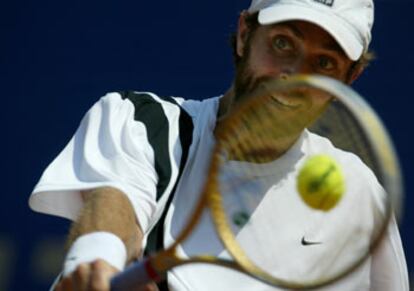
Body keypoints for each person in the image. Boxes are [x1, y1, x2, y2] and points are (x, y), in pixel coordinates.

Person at [29, 0, 409, 290]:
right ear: (245, 34)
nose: (292, 76)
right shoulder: (146, 122)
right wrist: (98, 258)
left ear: (349, 78)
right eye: (282, 43)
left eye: (324, 63)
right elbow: (116, 204)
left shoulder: (361, 196)